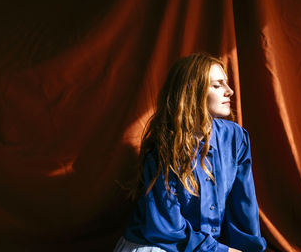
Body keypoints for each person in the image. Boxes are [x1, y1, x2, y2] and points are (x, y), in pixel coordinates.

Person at [114, 53, 266, 252]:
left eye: (226, 83)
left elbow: (243, 209)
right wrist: (221, 251)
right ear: (193, 92)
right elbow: (166, 229)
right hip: (158, 245)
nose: (229, 91)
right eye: (217, 85)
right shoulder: (163, 147)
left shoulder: (236, 138)